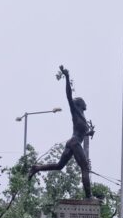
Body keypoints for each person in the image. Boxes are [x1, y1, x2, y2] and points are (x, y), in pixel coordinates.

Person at [29, 65, 93, 198]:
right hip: (74, 143)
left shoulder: (83, 117)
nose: (86, 104)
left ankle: (36, 168)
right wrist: (67, 77)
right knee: (85, 168)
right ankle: (88, 196)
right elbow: (69, 96)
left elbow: (82, 133)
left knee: (59, 166)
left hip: (73, 142)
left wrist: (89, 133)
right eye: (84, 102)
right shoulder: (75, 112)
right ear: (81, 104)